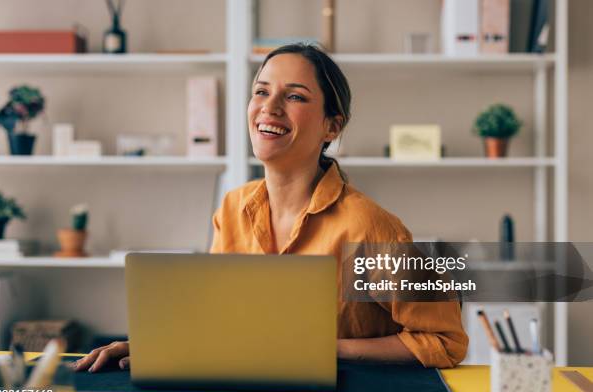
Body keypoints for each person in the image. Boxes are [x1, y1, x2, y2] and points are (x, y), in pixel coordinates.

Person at [75, 43, 467, 373]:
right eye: (261, 91)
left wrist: (323, 348)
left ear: (331, 127)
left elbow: (445, 342)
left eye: (295, 96)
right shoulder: (232, 208)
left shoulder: (369, 227)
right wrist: (156, 345)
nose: (270, 107)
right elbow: (223, 321)